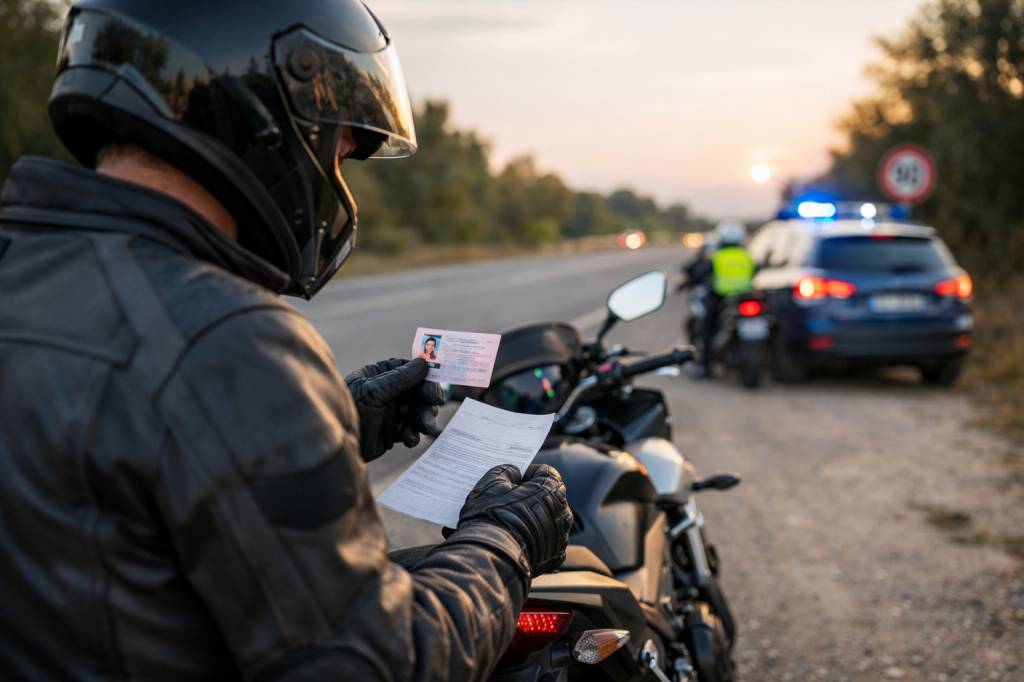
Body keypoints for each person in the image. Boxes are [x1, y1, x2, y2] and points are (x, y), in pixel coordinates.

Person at [0, 2, 572, 681]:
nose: (337, 178)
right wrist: (505, 539)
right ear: (271, 121)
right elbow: (375, 664)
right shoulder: (223, 337)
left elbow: (94, 466)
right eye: (340, 149)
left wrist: (338, 419)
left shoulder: (28, 267)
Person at [688, 220, 756, 377]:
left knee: (707, 326)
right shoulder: (747, 256)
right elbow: (756, 272)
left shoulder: (716, 256)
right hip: (745, 297)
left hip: (721, 297)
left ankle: (705, 366)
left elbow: (699, 272)